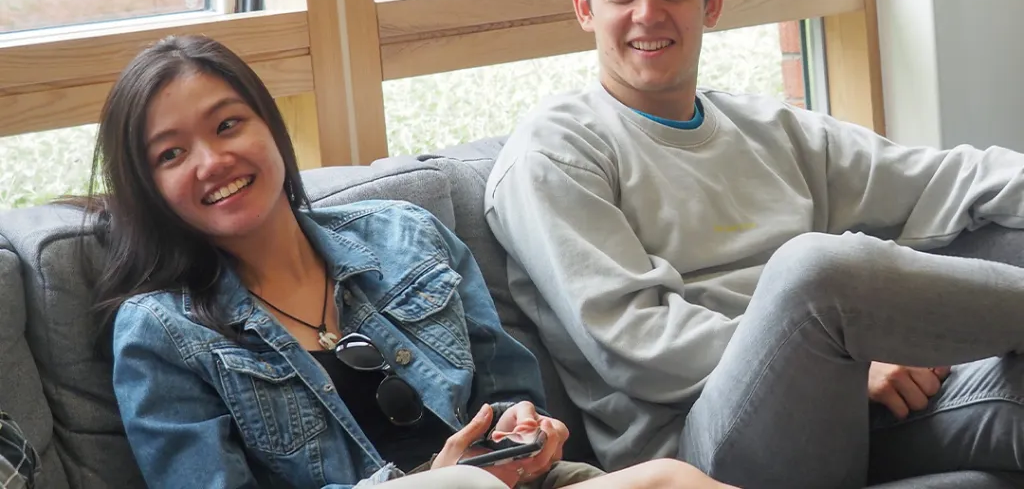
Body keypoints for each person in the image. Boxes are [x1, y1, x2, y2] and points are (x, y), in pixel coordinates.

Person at [484, 0, 1024, 488]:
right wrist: (851, 354)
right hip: (702, 450)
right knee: (815, 268)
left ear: (711, 3)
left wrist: (847, 358)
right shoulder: (555, 152)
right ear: (585, 9)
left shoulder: (769, 128)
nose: (648, 14)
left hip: (845, 410)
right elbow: (637, 343)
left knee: (1004, 232)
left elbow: (951, 179)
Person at [87, 34, 733, 489]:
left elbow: (508, 389)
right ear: (148, 187)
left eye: (228, 125)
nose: (212, 161)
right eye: (172, 154)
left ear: (270, 127)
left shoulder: (404, 235)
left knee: (671, 479)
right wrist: (436, 482)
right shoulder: (162, 334)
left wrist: (522, 431)